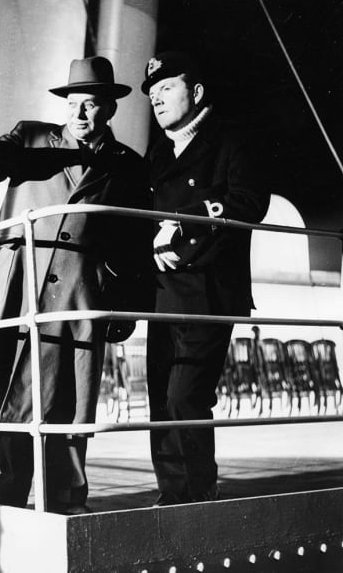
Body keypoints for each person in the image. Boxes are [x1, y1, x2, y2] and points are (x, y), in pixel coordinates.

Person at [0, 56, 151, 514]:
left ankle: (66, 499)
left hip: (79, 295)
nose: (80, 113)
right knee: (11, 389)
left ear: (109, 110)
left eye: (91, 105)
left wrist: (127, 304)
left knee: (71, 400)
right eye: (74, 103)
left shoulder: (128, 166)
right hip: (19, 284)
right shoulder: (32, 138)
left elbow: (136, 241)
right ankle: (11, 489)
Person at [141, 51, 270, 505]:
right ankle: (171, 494)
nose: (156, 100)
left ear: (195, 92)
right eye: (152, 94)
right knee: (160, 400)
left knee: (184, 396)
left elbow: (251, 202)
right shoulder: (156, 155)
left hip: (209, 294)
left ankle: (197, 494)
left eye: (166, 89)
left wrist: (184, 220)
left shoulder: (230, 140)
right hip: (161, 295)